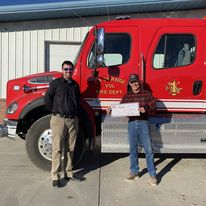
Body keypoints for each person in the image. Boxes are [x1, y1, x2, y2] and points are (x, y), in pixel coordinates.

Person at [107, 74, 157, 186]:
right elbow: (120, 109)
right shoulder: (127, 96)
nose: (134, 84)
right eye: (132, 82)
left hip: (144, 122)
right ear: (129, 84)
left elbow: (154, 108)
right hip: (132, 123)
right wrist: (111, 110)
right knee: (133, 149)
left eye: (136, 82)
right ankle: (134, 172)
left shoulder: (147, 94)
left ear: (139, 82)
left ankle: (152, 174)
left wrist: (146, 109)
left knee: (148, 150)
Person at [44, 60, 81, 187]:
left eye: (70, 69)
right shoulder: (55, 83)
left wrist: (75, 116)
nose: (68, 71)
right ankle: (55, 176)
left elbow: (77, 101)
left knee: (70, 148)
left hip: (72, 120)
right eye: (66, 69)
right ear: (62, 70)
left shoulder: (75, 85)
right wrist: (56, 112)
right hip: (59, 119)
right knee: (57, 149)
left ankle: (68, 173)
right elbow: (47, 99)